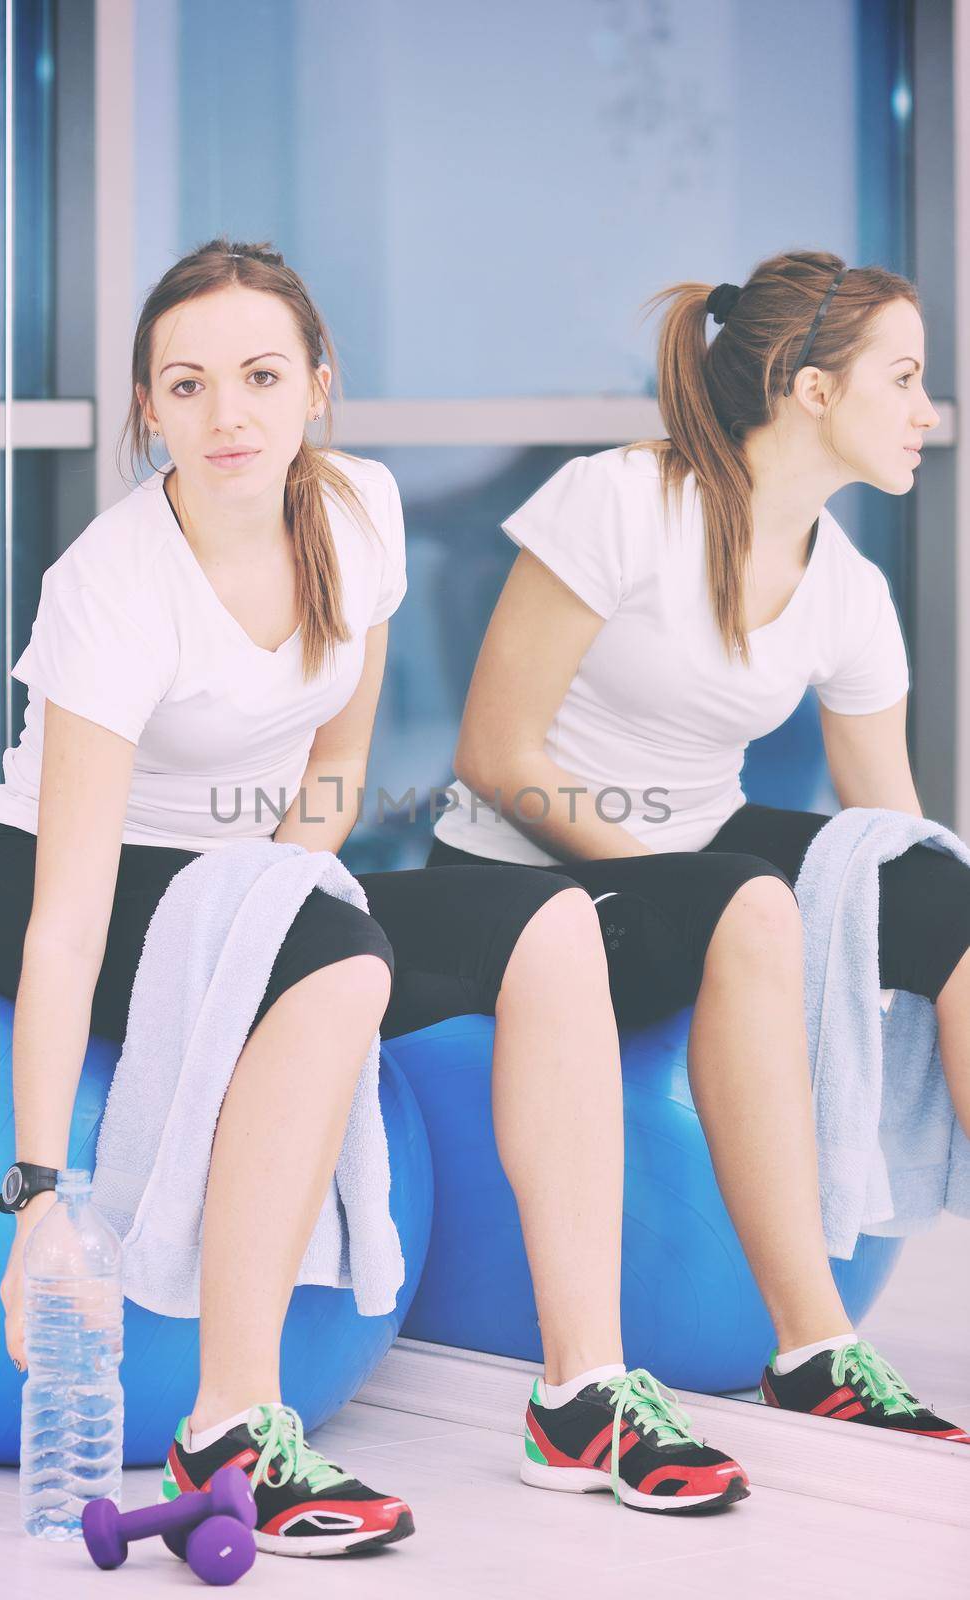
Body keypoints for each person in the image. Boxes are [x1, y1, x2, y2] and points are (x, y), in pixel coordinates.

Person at [0, 239, 751, 1558]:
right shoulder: (110, 585)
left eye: (260, 375)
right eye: (188, 385)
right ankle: (228, 1421)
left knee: (547, 924)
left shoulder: (358, 513)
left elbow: (334, 766)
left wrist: (289, 888)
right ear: (147, 408)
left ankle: (582, 1391)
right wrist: (38, 1191)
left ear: (317, 383)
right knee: (330, 958)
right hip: (55, 877)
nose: (227, 415)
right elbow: (67, 910)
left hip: (249, 863)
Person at [430, 249, 970, 1448]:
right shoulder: (619, 502)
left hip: (702, 858)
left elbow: (891, 832)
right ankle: (812, 1346)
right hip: (521, 874)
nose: (930, 412)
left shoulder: (848, 590)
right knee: (739, 898)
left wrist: (907, 917)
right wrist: (668, 872)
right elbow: (493, 750)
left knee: (942, 890)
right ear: (813, 390)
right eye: (905, 377)